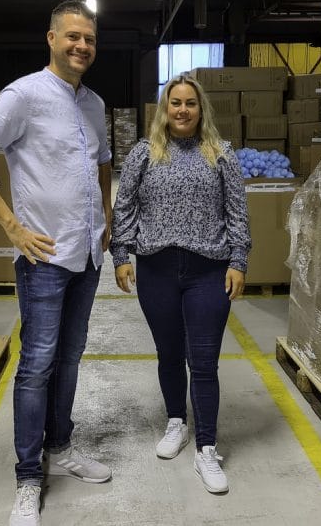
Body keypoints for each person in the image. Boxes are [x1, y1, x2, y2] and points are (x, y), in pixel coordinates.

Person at [0, 0, 112, 526]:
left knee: (69, 358)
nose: (81, 46)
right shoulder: (23, 95)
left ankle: (59, 449)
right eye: (73, 36)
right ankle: (27, 477)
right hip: (43, 257)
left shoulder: (94, 104)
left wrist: (106, 218)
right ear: (51, 38)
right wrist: (11, 225)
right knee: (37, 364)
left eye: (89, 39)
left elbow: (102, 163)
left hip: (87, 255)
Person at [110, 74, 250, 494]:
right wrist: (121, 255)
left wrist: (238, 260)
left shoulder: (221, 154)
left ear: (201, 109)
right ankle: (177, 422)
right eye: (176, 103)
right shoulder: (144, 153)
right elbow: (125, 206)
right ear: (165, 109)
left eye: (190, 103)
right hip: (157, 270)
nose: (183, 110)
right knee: (169, 354)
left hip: (209, 270)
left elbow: (237, 211)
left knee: (203, 361)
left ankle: (207, 448)